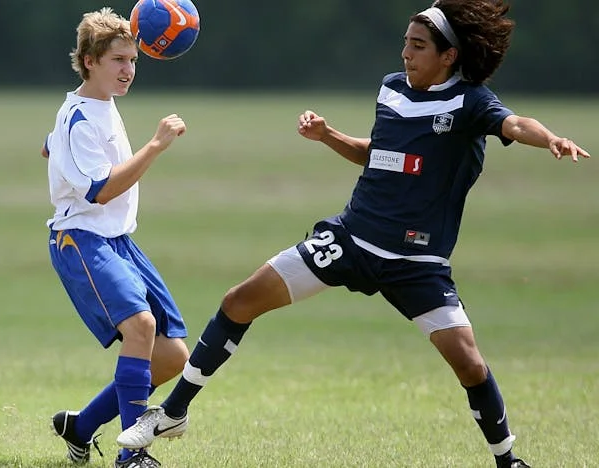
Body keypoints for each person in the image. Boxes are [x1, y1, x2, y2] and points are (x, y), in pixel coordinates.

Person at [115, 0, 591, 466]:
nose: (406, 54)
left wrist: (548, 137)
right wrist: (328, 136)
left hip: (416, 265)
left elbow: (515, 122)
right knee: (240, 300)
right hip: (350, 239)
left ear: (449, 56)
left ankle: (508, 460)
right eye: (405, 43)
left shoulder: (471, 103)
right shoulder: (391, 89)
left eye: (419, 46)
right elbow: (379, 153)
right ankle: (174, 412)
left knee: (468, 364)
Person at [41, 7, 190, 468]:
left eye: (133, 61)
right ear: (89, 60)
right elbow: (101, 190)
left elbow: (54, 142)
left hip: (119, 241)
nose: (128, 70)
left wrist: (52, 146)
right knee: (140, 328)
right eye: (118, 61)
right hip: (81, 239)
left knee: (171, 358)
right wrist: (156, 145)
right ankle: (132, 456)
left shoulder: (100, 106)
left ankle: (80, 427)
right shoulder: (81, 117)